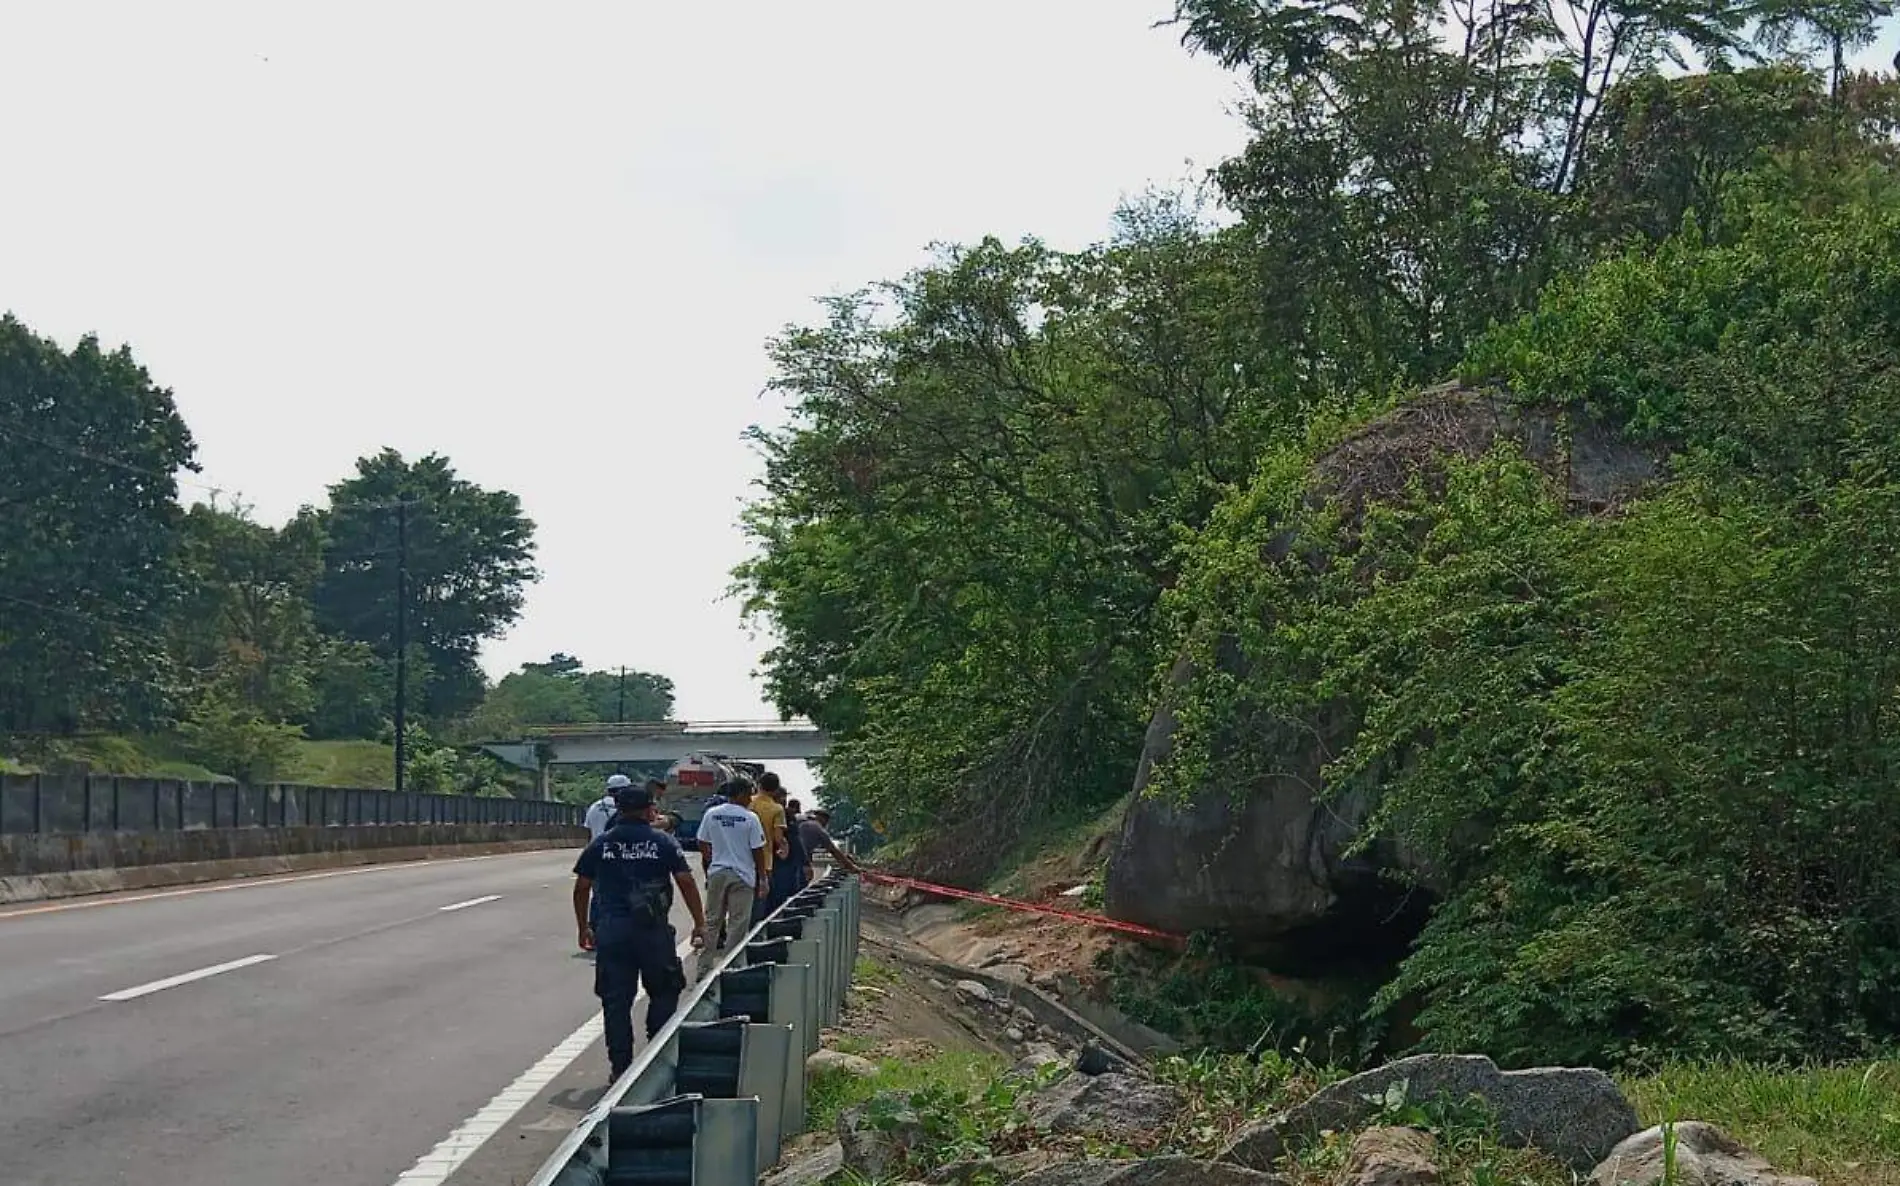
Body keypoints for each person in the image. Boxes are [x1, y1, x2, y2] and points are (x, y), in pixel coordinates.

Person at [571, 783, 707, 1083]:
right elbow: (685, 880)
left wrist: (584, 926)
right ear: (649, 810)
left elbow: (582, 887)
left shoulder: (602, 843)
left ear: (618, 810)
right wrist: (699, 921)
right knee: (665, 989)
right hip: (652, 932)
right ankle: (656, 1057)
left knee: (616, 1000)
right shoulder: (662, 842)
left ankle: (621, 1067)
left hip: (612, 932)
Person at [695, 778, 767, 978]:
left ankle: (703, 968)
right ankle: (730, 967)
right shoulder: (750, 818)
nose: (751, 799)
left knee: (712, 921)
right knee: (738, 922)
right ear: (742, 794)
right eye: (749, 794)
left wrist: (711, 859)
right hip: (743, 876)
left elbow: (701, 841)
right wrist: (762, 878)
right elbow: (758, 851)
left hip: (718, 872)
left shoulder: (712, 814)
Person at [748, 771, 791, 921]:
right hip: (765, 862)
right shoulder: (777, 809)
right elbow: (778, 838)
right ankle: (755, 937)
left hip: (742, 860)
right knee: (759, 903)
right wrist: (784, 849)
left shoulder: (747, 802)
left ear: (758, 785)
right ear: (776, 790)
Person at [798, 807, 863, 881]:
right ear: (823, 819)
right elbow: (834, 851)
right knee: (805, 878)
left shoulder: (802, 821)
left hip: (788, 856)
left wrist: (845, 857)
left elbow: (827, 850)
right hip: (799, 859)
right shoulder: (818, 829)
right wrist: (852, 867)